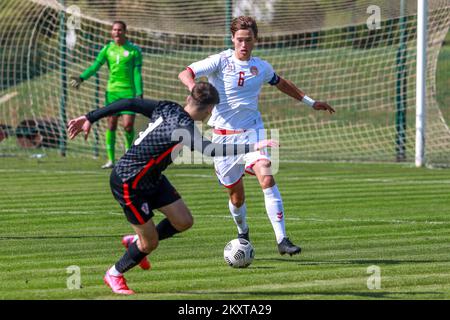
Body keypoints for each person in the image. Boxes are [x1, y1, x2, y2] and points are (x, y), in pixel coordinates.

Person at [67, 82, 277, 295]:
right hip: (129, 182)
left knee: (184, 221)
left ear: (189, 99)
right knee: (150, 244)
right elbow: (210, 149)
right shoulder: (184, 128)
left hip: (152, 178)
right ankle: (114, 273)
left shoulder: (167, 107)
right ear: (208, 110)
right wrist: (252, 146)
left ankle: (135, 241)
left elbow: (128, 102)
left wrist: (90, 117)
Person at [178, 16, 335, 256]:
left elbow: (281, 83)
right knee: (236, 197)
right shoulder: (220, 61)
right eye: (239, 39)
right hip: (222, 138)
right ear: (232, 39)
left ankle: (282, 239)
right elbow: (186, 72)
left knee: (266, 174)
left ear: (256, 40)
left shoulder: (261, 67)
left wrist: (311, 102)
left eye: (248, 40)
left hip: (253, 132)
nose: (243, 44)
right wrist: (195, 90)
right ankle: (243, 231)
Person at [70, 20, 143, 169]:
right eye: (114, 30)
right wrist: (82, 77)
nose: (117, 32)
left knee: (128, 126)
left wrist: (139, 92)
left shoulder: (134, 50)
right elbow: (95, 66)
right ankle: (111, 160)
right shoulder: (107, 49)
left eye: (120, 30)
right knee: (111, 124)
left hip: (129, 92)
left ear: (125, 32)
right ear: (112, 32)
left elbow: (137, 73)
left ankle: (129, 156)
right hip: (112, 92)